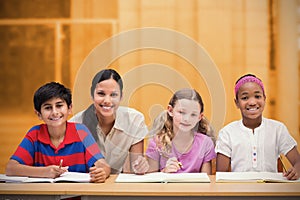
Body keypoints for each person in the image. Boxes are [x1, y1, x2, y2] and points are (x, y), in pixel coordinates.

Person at [5, 82, 111, 183]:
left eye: (59, 106)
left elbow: (103, 165)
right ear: (39, 114)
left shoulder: (81, 132)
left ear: (69, 108)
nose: (55, 112)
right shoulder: (34, 134)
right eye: (48, 108)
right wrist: (44, 172)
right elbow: (11, 168)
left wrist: (102, 173)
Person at [215, 74, 300, 180]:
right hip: (238, 192)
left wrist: (296, 170)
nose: (252, 102)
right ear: (236, 103)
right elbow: (220, 176)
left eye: (257, 96)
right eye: (245, 98)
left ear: (264, 99)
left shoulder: (277, 129)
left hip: (271, 192)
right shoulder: (227, 132)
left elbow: (298, 162)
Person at [69, 69, 149, 174]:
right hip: (88, 184)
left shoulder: (134, 120)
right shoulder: (76, 124)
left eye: (113, 95)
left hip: (118, 186)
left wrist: (140, 166)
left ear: (121, 96)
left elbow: (134, 167)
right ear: (92, 95)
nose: (107, 100)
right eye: (101, 94)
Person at [145, 88, 216, 173]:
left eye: (193, 114)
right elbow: (150, 181)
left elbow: (206, 180)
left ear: (199, 117)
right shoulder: (157, 142)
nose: (186, 119)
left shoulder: (205, 143)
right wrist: (164, 173)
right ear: (170, 111)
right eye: (181, 112)